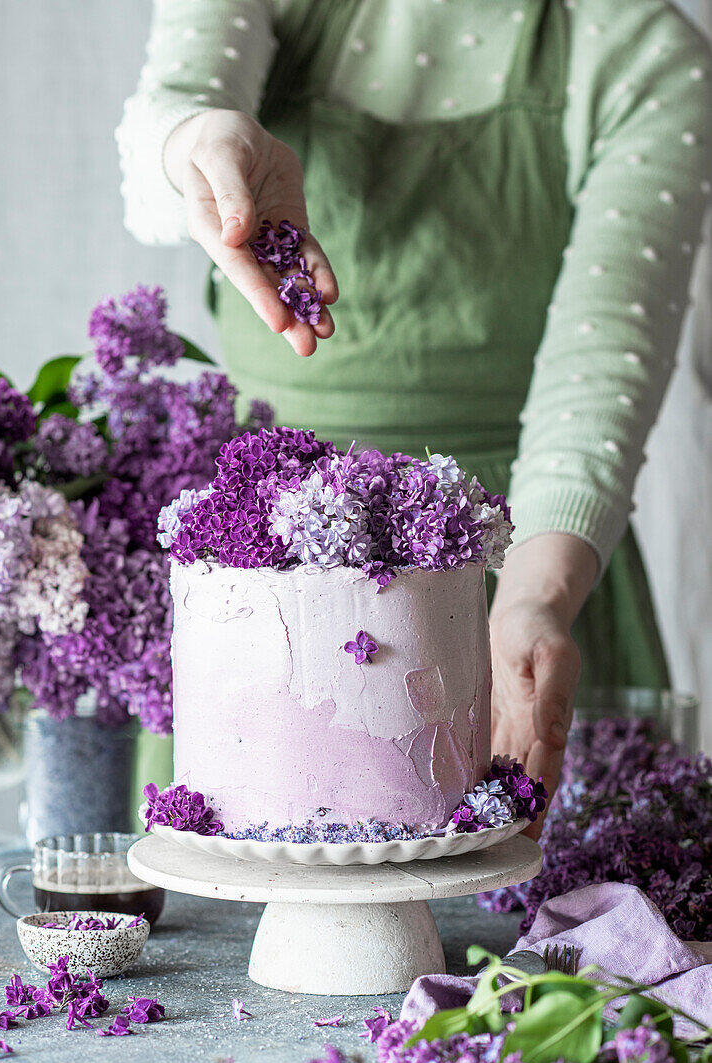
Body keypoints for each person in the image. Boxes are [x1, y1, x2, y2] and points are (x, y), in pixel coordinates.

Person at [118, 0, 711, 830]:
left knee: (554, 925)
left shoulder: (642, 50)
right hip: (260, 567)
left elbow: (602, 356)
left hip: (515, 550)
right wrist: (195, 142)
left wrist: (531, 599)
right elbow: (167, 115)